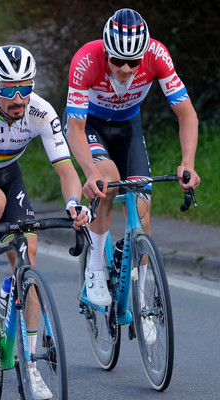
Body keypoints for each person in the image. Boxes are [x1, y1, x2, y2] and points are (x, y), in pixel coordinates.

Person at [0, 44, 89, 399]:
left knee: (28, 252)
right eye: (9, 90)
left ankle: (31, 366)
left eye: (25, 87)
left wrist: (73, 203)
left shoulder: (40, 111)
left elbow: (67, 170)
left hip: (8, 169)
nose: (18, 97)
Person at [64, 8, 200, 308]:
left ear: (144, 54)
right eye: (117, 61)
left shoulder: (157, 55)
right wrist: (89, 171)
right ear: (106, 51)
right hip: (91, 127)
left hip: (128, 127)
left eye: (133, 62)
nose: (125, 69)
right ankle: (96, 267)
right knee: (107, 179)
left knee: (142, 206)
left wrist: (187, 162)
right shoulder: (86, 58)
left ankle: (143, 303)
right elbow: (74, 126)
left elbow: (187, 114)